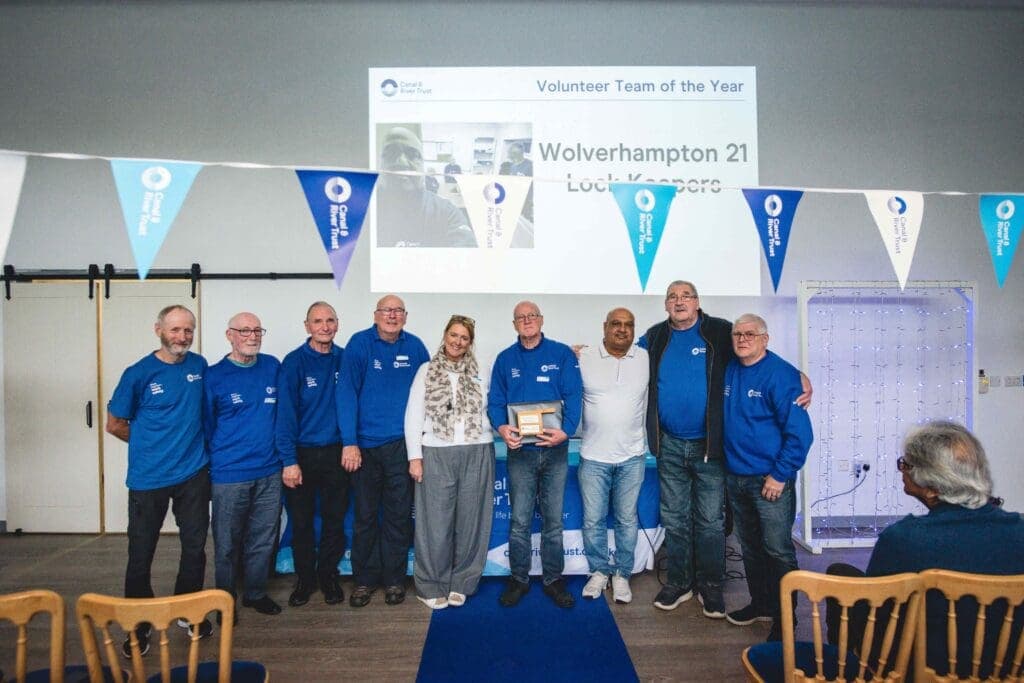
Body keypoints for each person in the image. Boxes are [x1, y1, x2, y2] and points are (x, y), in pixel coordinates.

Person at [825, 421, 1024, 679]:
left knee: (842, 578)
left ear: (932, 487)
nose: (901, 471)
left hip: (917, 669)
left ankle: (850, 671)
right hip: (1007, 667)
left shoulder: (902, 539)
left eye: (905, 465)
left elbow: (879, 618)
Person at [106, 304, 212, 657]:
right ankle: (139, 625)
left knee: (195, 548)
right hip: (148, 479)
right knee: (140, 555)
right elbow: (116, 423)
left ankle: (188, 612)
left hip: (193, 474)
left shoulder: (199, 366)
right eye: (175, 330)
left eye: (188, 330)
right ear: (159, 330)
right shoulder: (138, 373)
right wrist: (150, 446)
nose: (182, 337)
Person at [637, 280, 731, 618]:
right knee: (675, 519)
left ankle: (711, 586)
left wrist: (798, 378)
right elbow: (625, 359)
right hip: (670, 445)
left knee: (709, 521)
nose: (679, 302)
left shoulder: (720, 332)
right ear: (665, 305)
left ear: (697, 302)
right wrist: (582, 356)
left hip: (709, 446)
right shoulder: (655, 336)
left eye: (685, 296)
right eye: (672, 297)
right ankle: (679, 582)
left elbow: (756, 354)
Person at [722, 313, 813, 642]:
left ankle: (787, 619)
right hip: (737, 477)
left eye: (750, 334)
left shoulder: (781, 375)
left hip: (770, 479)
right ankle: (760, 603)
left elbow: (800, 434)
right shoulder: (731, 368)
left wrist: (779, 475)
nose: (742, 339)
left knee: (777, 550)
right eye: (737, 334)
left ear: (765, 338)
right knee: (750, 548)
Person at [488, 301, 583, 609]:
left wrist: (566, 431)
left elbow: (573, 396)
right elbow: (494, 403)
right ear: (514, 324)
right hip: (520, 453)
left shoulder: (562, 354)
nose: (527, 321)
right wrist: (502, 428)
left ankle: (554, 579)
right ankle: (519, 578)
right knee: (519, 520)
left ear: (541, 320)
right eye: (521, 317)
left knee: (553, 521)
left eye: (532, 316)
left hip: (556, 451)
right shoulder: (505, 359)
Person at [338, 294, 430, 607]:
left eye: (397, 311)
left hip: (401, 447)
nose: (392, 315)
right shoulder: (359, 344)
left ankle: (394, 580)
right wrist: (349, 441)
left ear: (405, 316)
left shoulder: (416, 347)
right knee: (364, 516)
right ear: (375, 314)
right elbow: (346, 393)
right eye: (386, 310)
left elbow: (429, 395)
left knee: (398, 516)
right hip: (363, 447)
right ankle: (364, 580)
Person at [404, 314, 495, 609]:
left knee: (472, 521)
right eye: (453, 335)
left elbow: (494, 407)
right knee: (435, 523)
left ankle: (463, 581)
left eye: (464, 337)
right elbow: (413, 416)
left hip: (477, 449)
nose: (458, 341)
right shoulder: (426, 370)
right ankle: (430, 584)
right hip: (436, 451)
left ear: (470, 342)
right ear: (445, 335)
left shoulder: (482, 369)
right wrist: (414, 457)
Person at [203, 312, 283, 620]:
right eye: (244, 330)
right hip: (229, 474)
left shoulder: (272, 367)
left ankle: (255, 593)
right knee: (226, 543)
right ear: (229, 335)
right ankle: (224, 602)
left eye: (257, 330)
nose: (252, 336)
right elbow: (206, 425)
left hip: (269, 470)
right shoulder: (214, 376)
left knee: (263, 538)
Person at [276, 302, 347, 608]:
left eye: (330, 320)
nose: (325, 326)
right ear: (307, 326)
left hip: (337, 453)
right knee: (302, 522)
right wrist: (289, 460)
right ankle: (305, 579)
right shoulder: (293, 363)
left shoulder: (346, 359)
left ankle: (328, 575)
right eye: (318, 321)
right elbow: (285, 416)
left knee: (334, 520)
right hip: (301, 455)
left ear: (337, 324)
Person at [578, 308, 649, 604]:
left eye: (628, 325)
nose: (622, 330)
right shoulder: (584, 357)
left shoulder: (645, 357)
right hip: (593, 456)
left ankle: (621, 574)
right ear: (604, 327)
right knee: (593, 520)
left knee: (626, 520)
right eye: (616, 324)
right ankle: (598, 571)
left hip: (632, 455)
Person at [376, 126, 476, 248]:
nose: (401, 162)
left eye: (412, 154)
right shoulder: (357, 210)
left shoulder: (447, 213)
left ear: (423, 165)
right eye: (391, 153)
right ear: (379, 163)